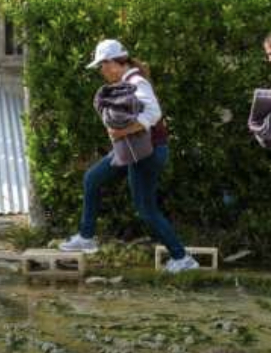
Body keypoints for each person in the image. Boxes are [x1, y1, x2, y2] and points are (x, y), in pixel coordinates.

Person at [59, 39, 198, 273]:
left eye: (102, 66)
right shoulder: (127, 81)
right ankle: (87, 236)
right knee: (93, 179)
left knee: (146, 209)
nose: (101, 71)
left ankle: (182, 258)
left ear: (113, 63)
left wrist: (123, 130)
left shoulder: (137, 82)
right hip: (134, 150)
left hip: (148, 152)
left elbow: (154, 113)